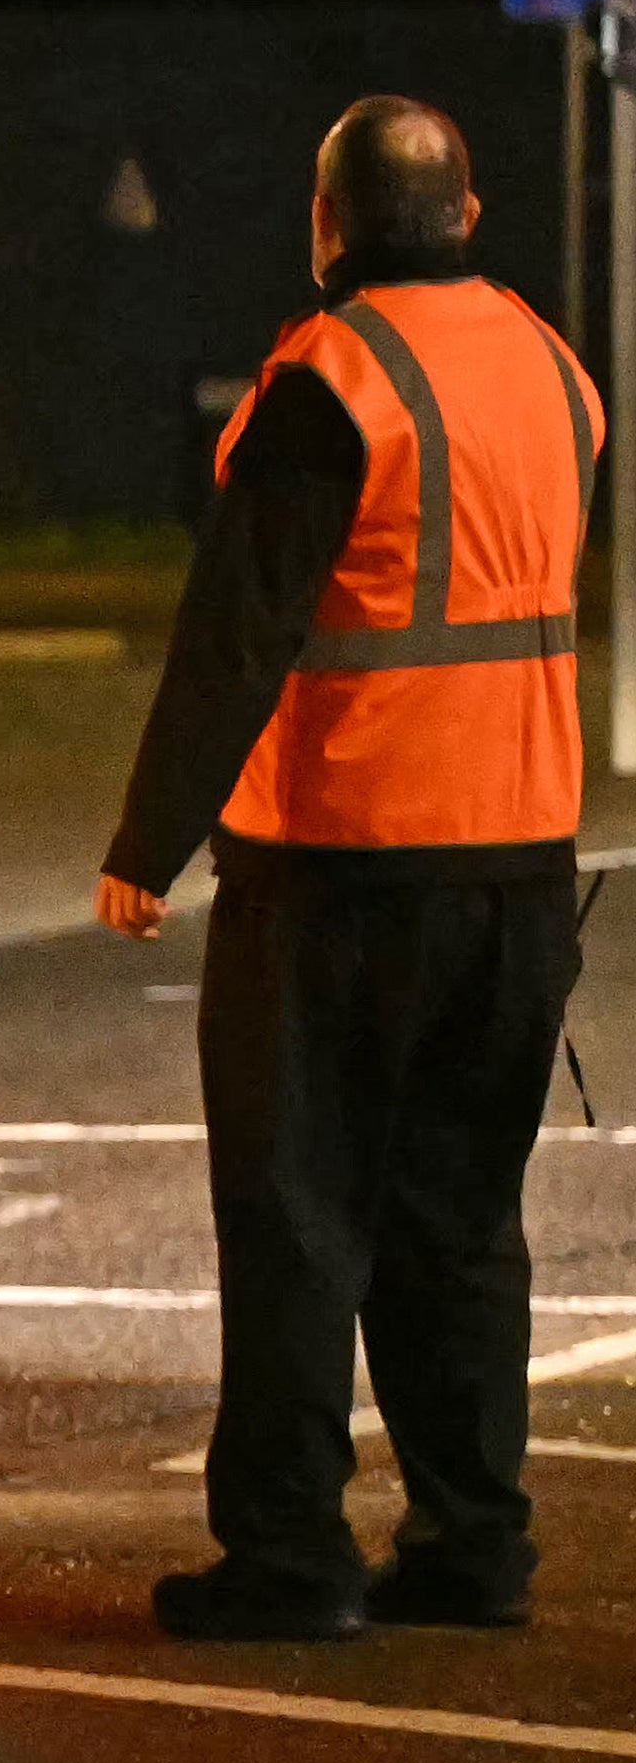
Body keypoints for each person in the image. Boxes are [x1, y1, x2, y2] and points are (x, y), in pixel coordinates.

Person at [96, 96, 604, 1642]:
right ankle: (474, 1543)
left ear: (329, 224)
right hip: (521, 868)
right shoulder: (551, 364)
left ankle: (293, 1558)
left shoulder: (334, 379)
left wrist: (148, 845)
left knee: (300, 1211)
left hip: (343, 866)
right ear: (470, 209)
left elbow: (237, 626)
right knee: (462, 1219)